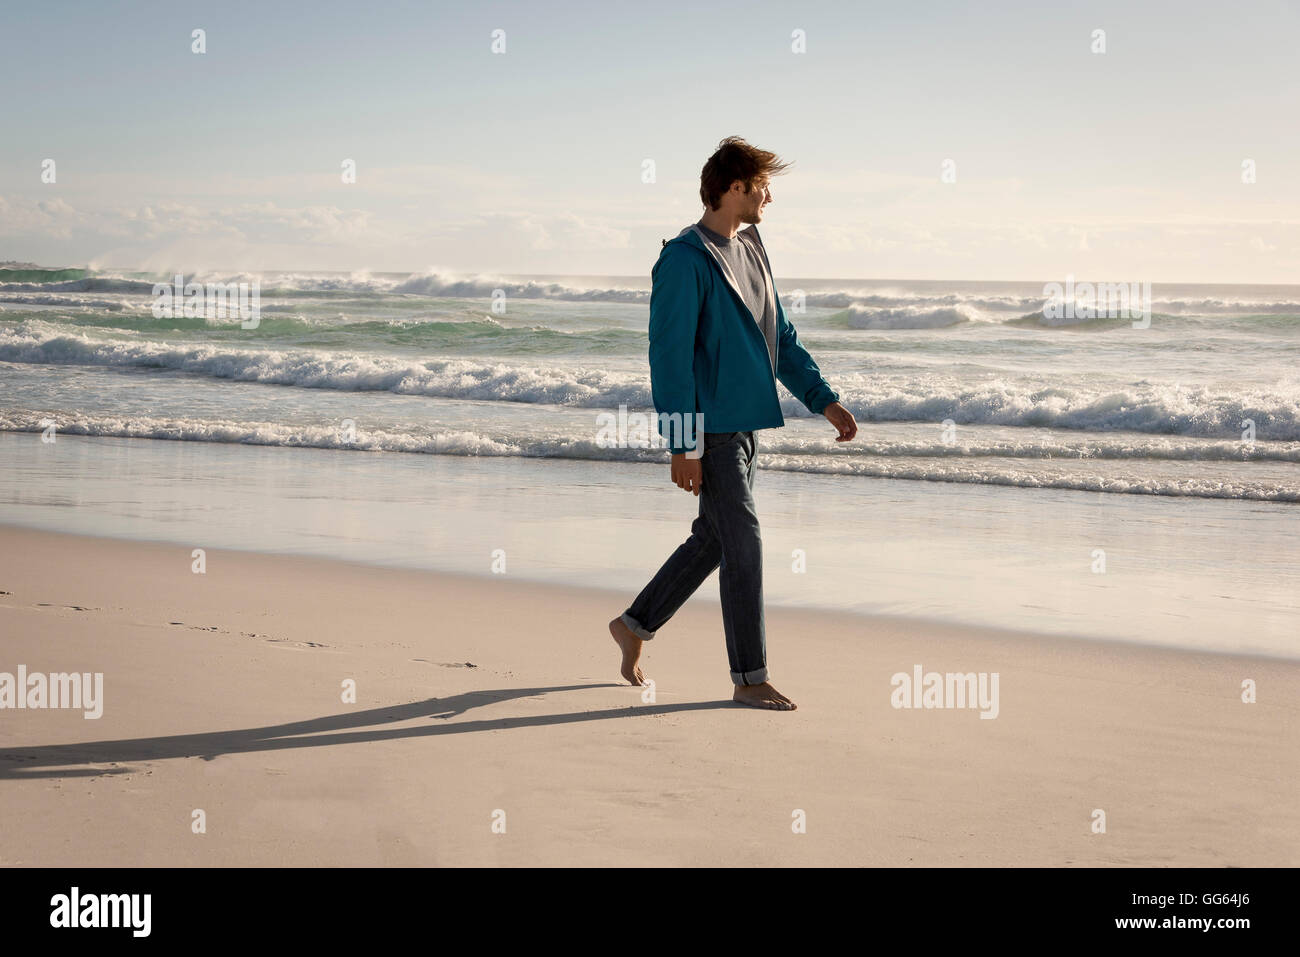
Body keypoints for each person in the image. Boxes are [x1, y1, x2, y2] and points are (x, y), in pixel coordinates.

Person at [608, 136, 858, 711]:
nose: (769, 197)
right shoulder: (684, 259)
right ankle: (749, 676)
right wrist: (682, 444)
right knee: (743, 543)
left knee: (714, 540)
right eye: (763, 185)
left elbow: (782, 338)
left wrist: (824, 399)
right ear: (735, 187)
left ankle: (634, 625)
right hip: (710, 430)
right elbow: (667, 357)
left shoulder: (751, 249)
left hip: (744, 425)